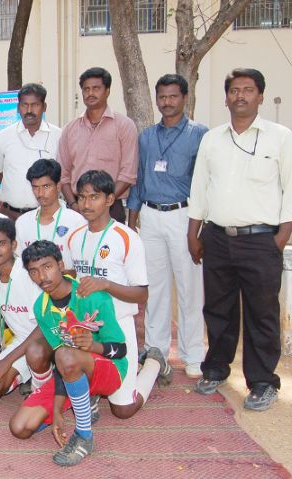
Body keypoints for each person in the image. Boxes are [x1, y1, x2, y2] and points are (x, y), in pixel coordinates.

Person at [188, 68, 292, 411]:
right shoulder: (212, 139)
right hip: (218, 239)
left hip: (261, 241)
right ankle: (215, 369)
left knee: (261, 314)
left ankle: (263, 382)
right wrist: (193, 233)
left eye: (248, 90)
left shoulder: (280, 137)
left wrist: (279, 241)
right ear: (226, 97)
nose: (240, 95)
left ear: (260, 96)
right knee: (218, 309)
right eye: (234, 90)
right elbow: (199, 189)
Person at [9, 240, 127, 466]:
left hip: (109, 370)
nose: (42, 276)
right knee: (20, 427)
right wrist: (56, 412)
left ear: (61, 265)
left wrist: (93, 346)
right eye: (34, 271)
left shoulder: (90, 294)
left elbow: (121, 350)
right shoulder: (41, 308)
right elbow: (59, 360)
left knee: (67, 355)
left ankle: (84, 436)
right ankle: (82, 396)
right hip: (71, 369)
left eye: (47, 267)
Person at [66, 170, 170, 420]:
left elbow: (141, 295)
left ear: (110, 199)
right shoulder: (74, 237)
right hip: (85, 328)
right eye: (81, 197)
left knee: (123, 410)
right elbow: (71, 280)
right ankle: (92, 390)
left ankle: (154, 362)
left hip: (118, 327)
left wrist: (106, 285)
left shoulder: (127, 238)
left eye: (94, 197)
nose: (86, 204)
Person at [126, 74, 208, 379]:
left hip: (184, 216)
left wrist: (199, 226)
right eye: (162, 97)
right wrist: (131, 224)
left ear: (184, 98)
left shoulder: (200, 134)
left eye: (173, 96)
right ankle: (156, 350)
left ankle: (193, 354)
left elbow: (204, 183)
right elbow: (139, 180)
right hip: (150, 216)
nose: (167, 102)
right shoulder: (146, 136)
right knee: (155, 289)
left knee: (189, 288)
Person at [57, 67, 138, 224]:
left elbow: (128, 174)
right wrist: (74, 204)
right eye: (86, 89)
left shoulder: (124, 126)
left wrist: (103, 201)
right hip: (76, 208)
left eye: (96, 88)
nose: (90, 93)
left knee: (110, 249)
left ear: (107, 91)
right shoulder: (70, 129)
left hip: (111, 207)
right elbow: (63, 173)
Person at [0, 218, 42, 400]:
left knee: (35, 353)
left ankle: (45, 377)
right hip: (20, 342)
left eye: (1, 244)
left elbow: (44, 327)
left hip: (44, 340)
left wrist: (7, 361)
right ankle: (27, 374)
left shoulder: (29, 275)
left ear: (13, 245)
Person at [0, 83, 62, 221]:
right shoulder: (4, 136)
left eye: (35, 105)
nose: (29, 110)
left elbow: (62, 176)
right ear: (18, 107)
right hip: (10, 215)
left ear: (44, 107)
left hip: (46, 216)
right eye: (24, 105)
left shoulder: (58, 136)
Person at [15, 159, 86, 273]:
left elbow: (83, 269)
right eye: (35, 187)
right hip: (31, 288)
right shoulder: (23, 222)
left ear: (58, 186)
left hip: (65, 287)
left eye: (46, 186)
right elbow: (18, 263)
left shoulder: (77, 222)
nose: (40, 193)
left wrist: (60, 275)